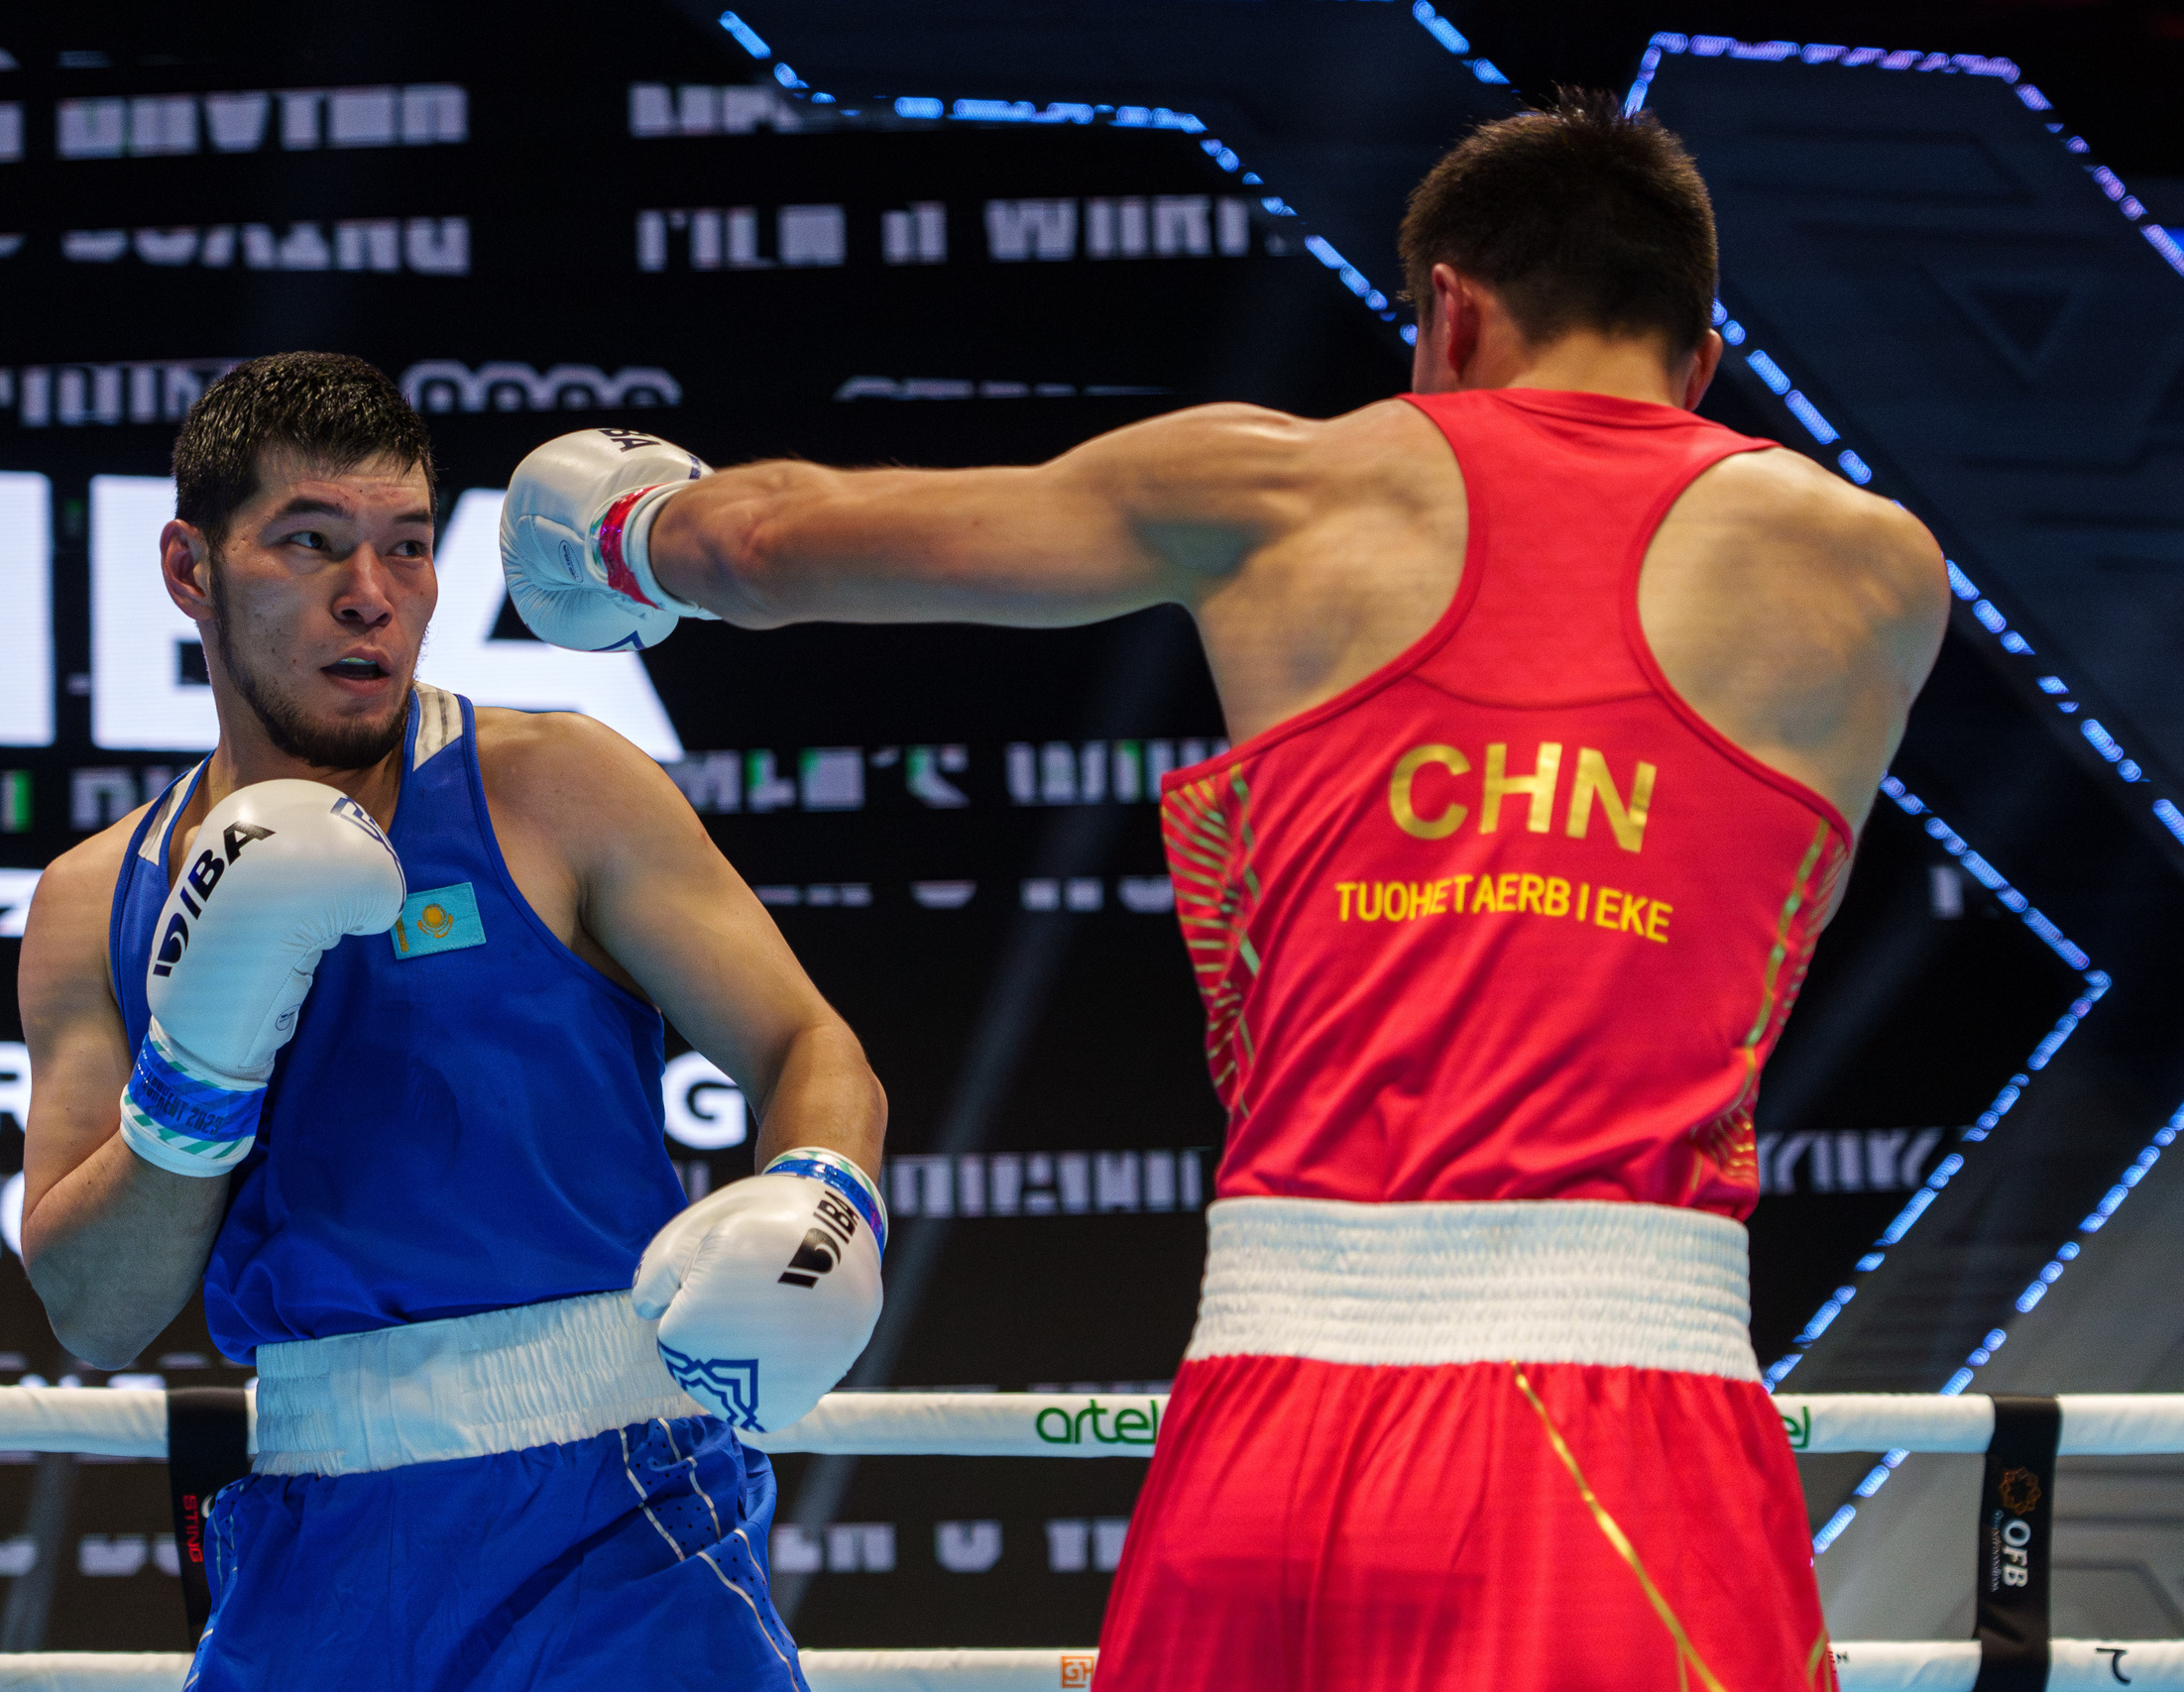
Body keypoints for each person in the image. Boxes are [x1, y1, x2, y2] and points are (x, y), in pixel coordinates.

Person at [502, 95, 1948, 1690]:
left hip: (1266, 1409)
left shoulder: (1286, 493)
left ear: (1448, 311)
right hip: (1624, 1416)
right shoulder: (1869, 567)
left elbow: (774, 546)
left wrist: (625, 533)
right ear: (1703, 359)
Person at [17, 351, 888, 1691]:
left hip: (619, 1510)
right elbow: (94, 1310)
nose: (371, 596)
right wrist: (199, 1075)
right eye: (311, 543)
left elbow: (809, 1048)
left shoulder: (556, 786)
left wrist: (828, 1199)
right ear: (191, 570)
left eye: (408, 548)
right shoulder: (97, 898)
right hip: (313, 1527)